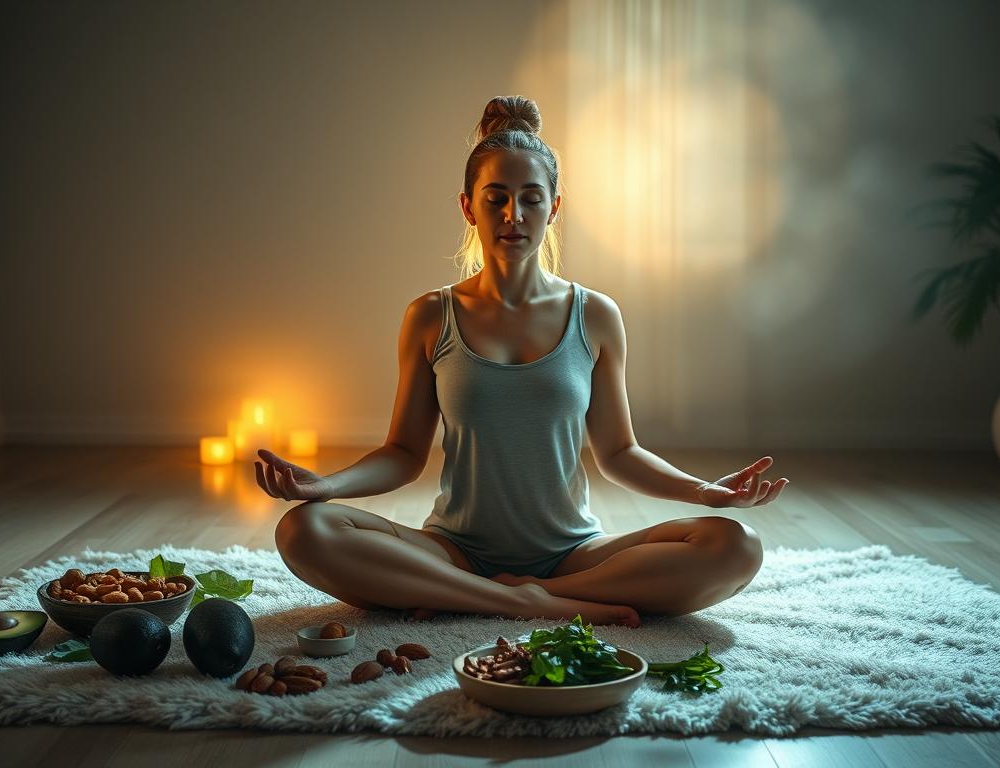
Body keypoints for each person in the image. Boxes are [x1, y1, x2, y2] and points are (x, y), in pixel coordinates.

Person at [258, 95, 787, 628]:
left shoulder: (596, 315)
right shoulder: (430, 315)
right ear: (468, 208)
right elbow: (403, 453)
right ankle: (523, 602)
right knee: (303, 530)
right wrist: (324, 487)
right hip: (454, 552)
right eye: (496, 199)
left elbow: (619, 452)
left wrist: (704, 491)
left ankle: (515, 594)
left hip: (572, 553)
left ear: (554, 208)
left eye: (532, 199)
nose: (514, 215)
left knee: (736, 545)